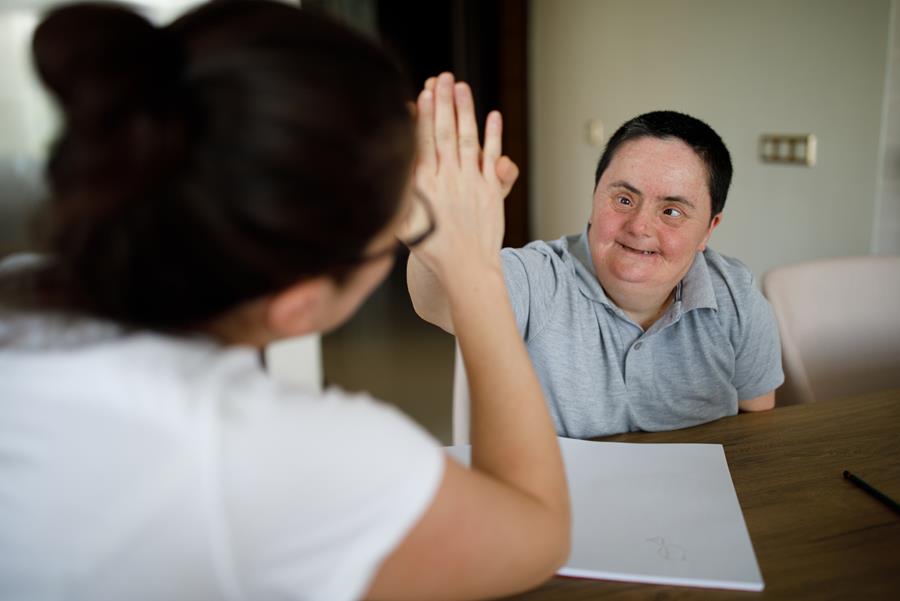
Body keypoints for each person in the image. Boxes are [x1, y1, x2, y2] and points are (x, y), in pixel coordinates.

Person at [0, 2, 570, 600]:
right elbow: (537, 531)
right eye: (394, 238)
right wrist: (475, 263)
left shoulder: (19, 289)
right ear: (298, 307)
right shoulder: (271, 459)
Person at [409, 107, 784, 439]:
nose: (639, 227)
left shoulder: (738, 296)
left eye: (671, 211)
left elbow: (755, 424)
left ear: (708, 229)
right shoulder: (540, 275)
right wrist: (433, 236)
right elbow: (440, 301)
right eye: (623, 199)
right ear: (594, 199)